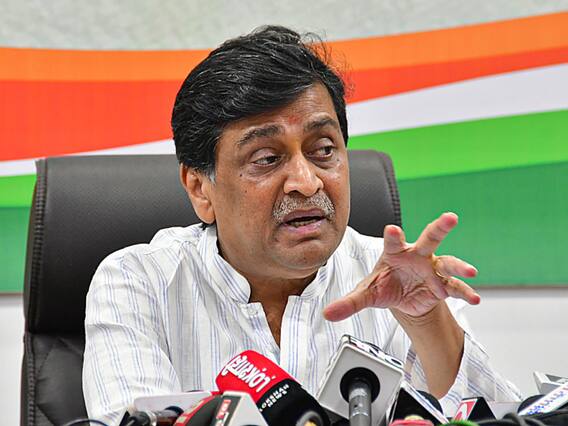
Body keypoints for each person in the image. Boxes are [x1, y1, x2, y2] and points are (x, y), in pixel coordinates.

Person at [83, 25, 521, 425]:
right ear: (201, 189)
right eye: (267, 158)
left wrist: (427, 320)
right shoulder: (139, 282)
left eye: (323, 149)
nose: (307, 182)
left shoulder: (399, 281)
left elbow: (501, 417)